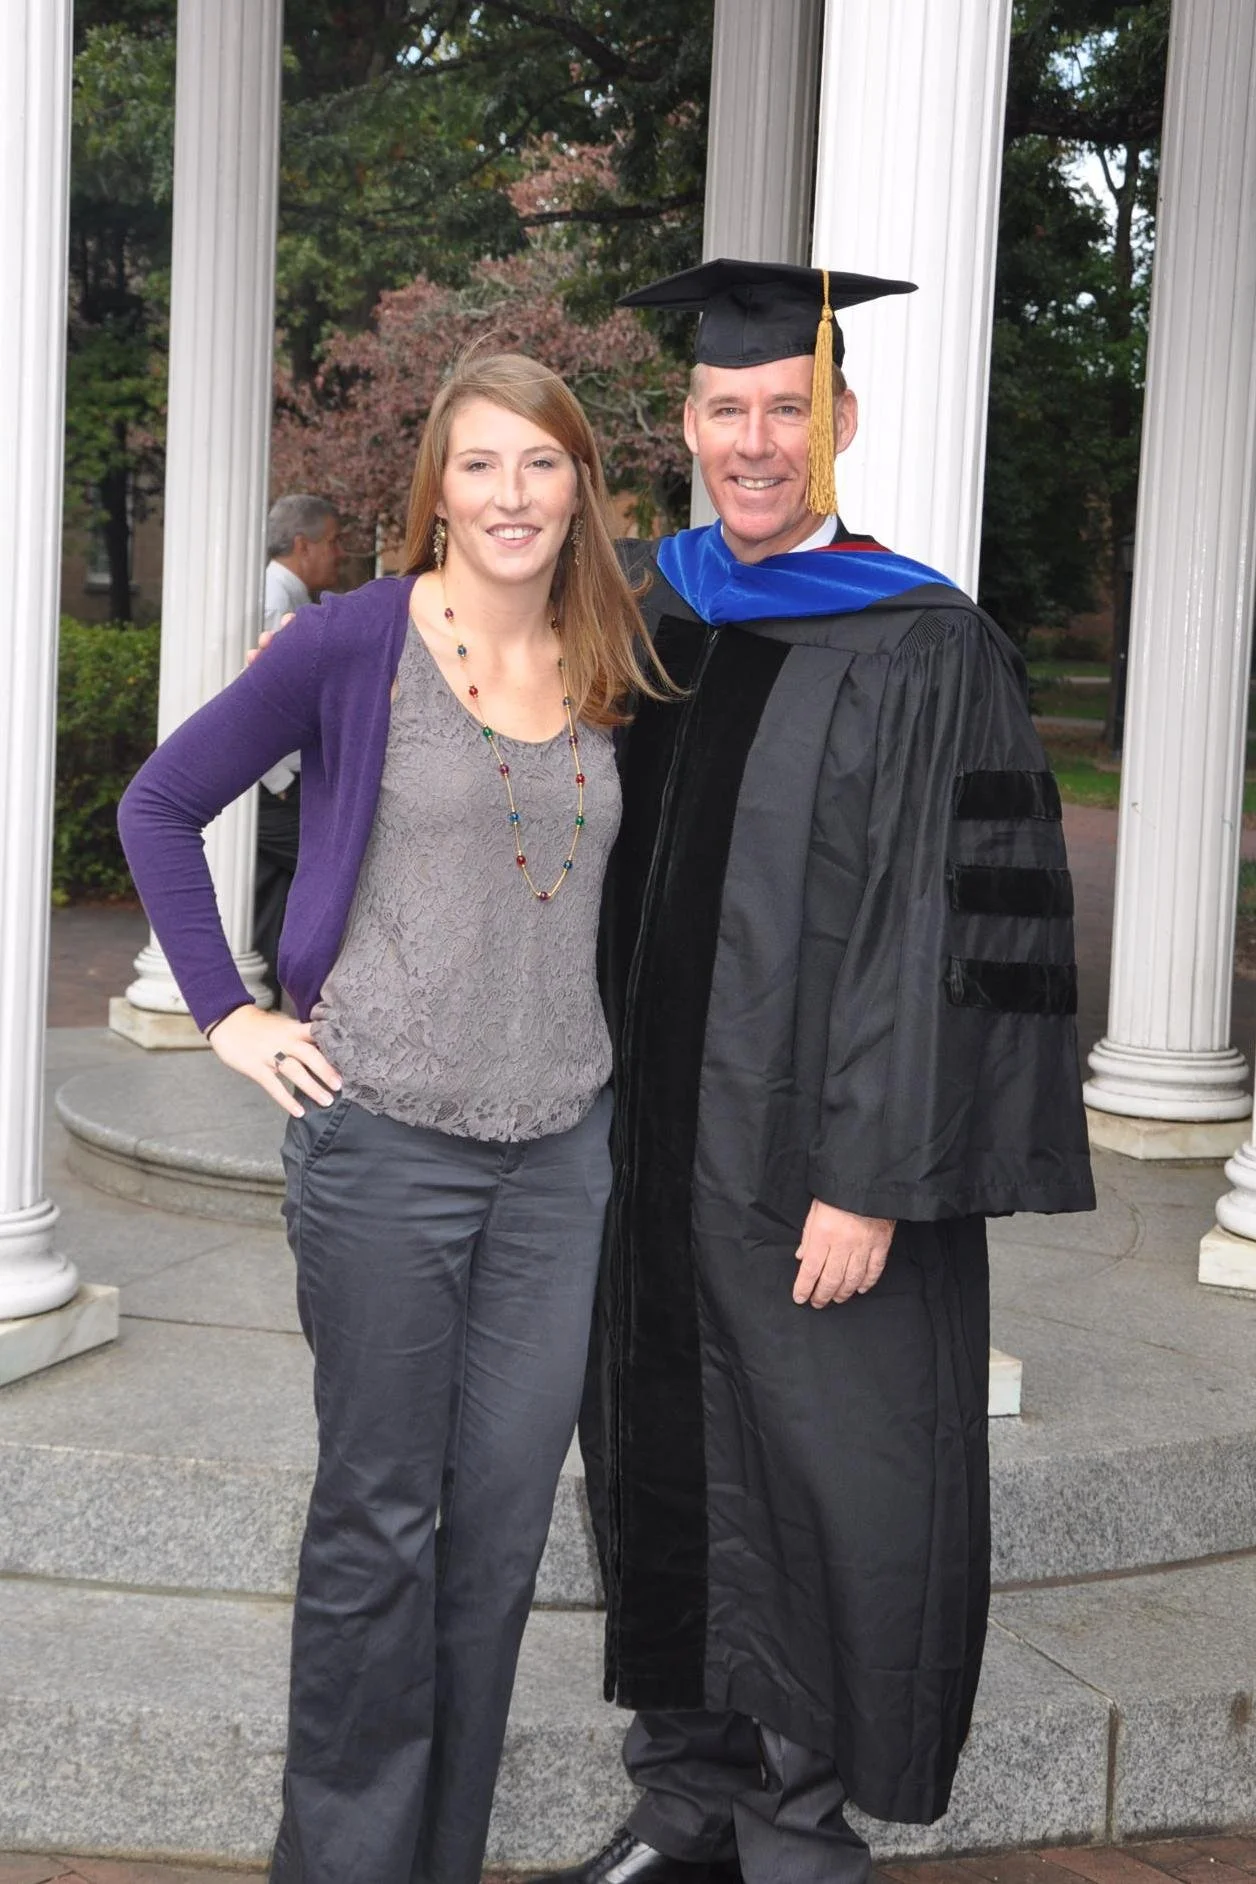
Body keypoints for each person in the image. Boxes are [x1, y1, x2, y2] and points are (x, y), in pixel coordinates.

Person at [537, 261, 1096, 1884]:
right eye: (729, 409)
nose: (757, 439)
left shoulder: (926, 642)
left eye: (790, 407)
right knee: (657, 1455)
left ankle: (795, 1821)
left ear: (839, 420)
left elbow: (958, 929)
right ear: (690, 423)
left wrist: (875, 1172)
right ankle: (685, 1797)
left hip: (815, 1169)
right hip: (642, 1162)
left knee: (816, 1482)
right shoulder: (650, 609)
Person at [118, 352, 673, 1884]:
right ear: (437, 486)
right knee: (381, 1528)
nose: (512, 495)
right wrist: (230, 1013)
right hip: (386, 1151)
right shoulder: (354, 642)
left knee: (495, 1543)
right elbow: (159, 805)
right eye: (481, 465)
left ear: (580, 490)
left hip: (561, 1159)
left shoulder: (618, 650)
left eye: (541, 465)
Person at [254, 494, 346, 1001]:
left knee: (271, 905)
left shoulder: (290, 599)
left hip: (279, 788)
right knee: (341, 885)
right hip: (278, 790)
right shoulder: (276, 603)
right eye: (333, 541)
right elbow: (265, 700)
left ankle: (265, 1005)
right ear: (301, 545)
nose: (341, 554)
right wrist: (286, 782)